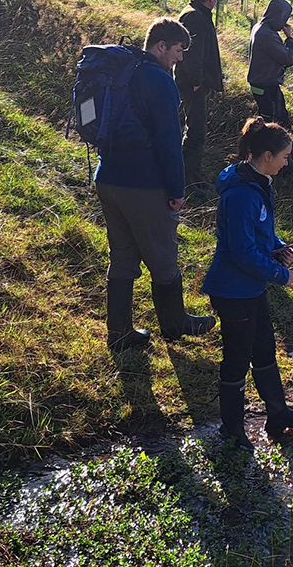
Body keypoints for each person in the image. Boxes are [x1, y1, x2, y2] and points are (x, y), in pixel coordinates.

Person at [94, 18, 215, 351]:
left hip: (108, 179)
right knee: (163, 257)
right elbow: (169, 142)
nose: (180, 59)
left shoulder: (122, 72)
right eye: (178, 51)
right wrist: (178, 190)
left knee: (122, 257)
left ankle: (119, 334)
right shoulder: (159, 82)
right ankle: (176, 325)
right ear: (161, 45)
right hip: (143, 185)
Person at [202, 117, 293, 450]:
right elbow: (241, 250)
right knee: (236, 358)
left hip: (251, 288)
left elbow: (259, 234)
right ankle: (232, 429)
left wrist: (278, 248)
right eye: (284, 158)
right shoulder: (240, 194)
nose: (286, 164)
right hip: (232, 291)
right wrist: (281, 274)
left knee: (264, 350)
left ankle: (277, 413)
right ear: (267, 155)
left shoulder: (261, 181)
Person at [175, 0, 223, 194]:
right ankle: (189, 181)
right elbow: (191, 53)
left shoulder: (196, 14)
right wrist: (196, 81)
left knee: (193, 129)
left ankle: (190, 177)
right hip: (193, 84)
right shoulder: (195, 17)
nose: (216, 0)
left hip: (194, 82)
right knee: (196, 132)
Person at [247, 0, 293, 126]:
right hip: (267, 86)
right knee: (274, 124)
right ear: (279, 16)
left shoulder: (259, 27)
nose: (285, 22)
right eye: (285, 18)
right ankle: (265, 146)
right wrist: (290, 39)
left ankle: (260, 144)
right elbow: (288, 59)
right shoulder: (268, 35)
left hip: (261, 83)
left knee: (269, 118)